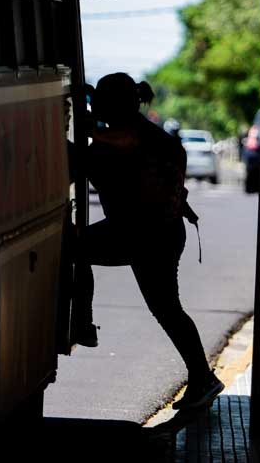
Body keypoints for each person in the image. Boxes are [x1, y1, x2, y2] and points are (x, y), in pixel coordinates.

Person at [71, 72, 223, 410]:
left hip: (147, 234)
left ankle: (82, 322)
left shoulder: (138, 137)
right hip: (150, 232)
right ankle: (202, 377)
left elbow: (125, 142)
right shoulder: (120, 138)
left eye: (100, 104)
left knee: (74, 248)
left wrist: (86, 128)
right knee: (167, 309)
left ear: (116, 105)